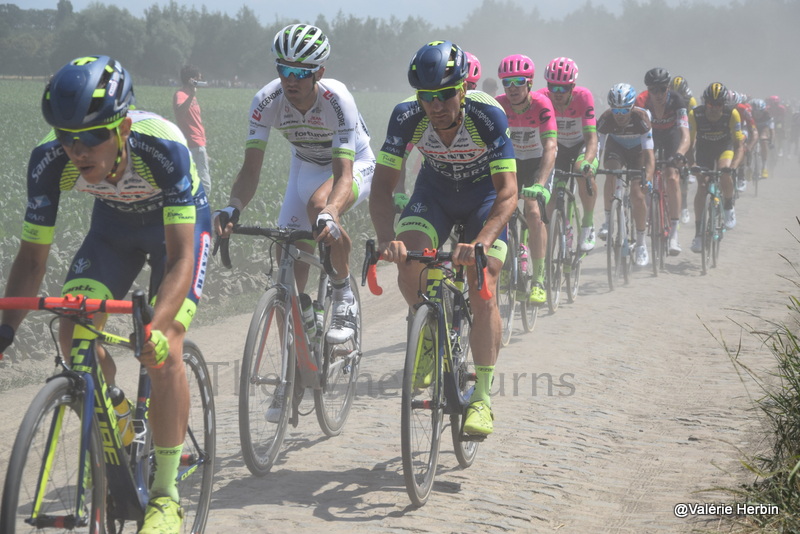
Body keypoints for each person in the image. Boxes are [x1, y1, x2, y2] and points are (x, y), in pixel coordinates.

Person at [0, 55, 211, 533]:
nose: (77, 150)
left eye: (92, 136)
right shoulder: (49, 161)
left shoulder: (162, 148)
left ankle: (165, 494)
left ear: (124, 127)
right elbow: (32, 260)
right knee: (75, 329)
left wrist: (156, 327)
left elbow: (180, 258)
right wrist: (5, 333)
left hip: (175, 237)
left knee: (164, 350)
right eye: (64, 136)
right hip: (112, 234)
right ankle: (112, 406)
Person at [370, 40, 517, 436]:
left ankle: (482, 399)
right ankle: (429, 330)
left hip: (483, 196)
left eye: (444, 95)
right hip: (434, 192)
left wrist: (483, 242)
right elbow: (382, 190)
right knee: (409, 261)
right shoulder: (405, 117)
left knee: (481, 280)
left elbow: (508, 192)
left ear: (463, 89)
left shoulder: (488, 115)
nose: (435, 106)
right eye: (427, 96)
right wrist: (388, 239)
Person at [214, 24, 374, 345]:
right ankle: (298, 353)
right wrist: (233, 207)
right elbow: (250, 171)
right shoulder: (265, 101)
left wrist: (330, 210)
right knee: (287, 259)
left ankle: (343, 296)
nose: (290, 79)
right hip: (305, 165)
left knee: (320, 209)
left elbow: (342, 175)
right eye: (284, 69)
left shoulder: (337, 100)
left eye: (301, 72)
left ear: (319, 72)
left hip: (353, 164)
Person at [494, 54, 557, 303]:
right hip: (510, 163)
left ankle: (539, 279)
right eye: (506, 82)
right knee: (499, 209)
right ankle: (508, 264)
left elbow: (551, 145)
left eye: (518, 81)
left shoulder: (542, 105)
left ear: (529, 82)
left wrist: (540, 184)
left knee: (532, 211)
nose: (512, 88)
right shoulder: (498, 105)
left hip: (536, 162)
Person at [537, 57, 599, 252]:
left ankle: (588, 224)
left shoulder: (584, 97)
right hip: (559, 147)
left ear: (572, 86)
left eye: (562, 88)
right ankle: (548, 254)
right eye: (552, 86)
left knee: (582, 171)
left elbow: (591, 138)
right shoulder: (541, 98)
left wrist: (587, 162)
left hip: (581, 145)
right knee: (552, 196)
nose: (556, 93)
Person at [596, 83, 655, 266]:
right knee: (611, 173)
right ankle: (607, 221)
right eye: (616, 111)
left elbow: (650, 156)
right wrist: (592, 167)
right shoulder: (606, 119)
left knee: (638, 195)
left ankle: (640, 243)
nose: (619, 116)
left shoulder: (641, 118)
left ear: (631, 107)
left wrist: (648, 179)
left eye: (624, 111)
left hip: (638, 151)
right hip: (617, 148)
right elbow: (598, 149)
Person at [635, 68, 690, 255]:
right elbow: (637, 133)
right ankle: (648, 207)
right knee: (643, 173)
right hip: (651, 135)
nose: (658, 94)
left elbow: (685, 134)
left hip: (671, 135)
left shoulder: (677, 101)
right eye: (653, 89)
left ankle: (674, 233)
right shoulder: (641, 101)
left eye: (662, 89)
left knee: (672, 176)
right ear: (648, 89)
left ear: (668, 87)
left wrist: (680, 154)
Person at [689, 82, 744, 252]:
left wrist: (734, 166)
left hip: (724, 148)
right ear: (705, 102)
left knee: (724, 172)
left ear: (724, 105)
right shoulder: (695, 114)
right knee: (703, 186)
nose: (713, 108)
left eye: (718, 104)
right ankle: (698, 234)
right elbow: (689, 144)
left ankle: (728, 206)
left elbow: (739, 145)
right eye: (710, 104)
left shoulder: (732, 114)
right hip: (704, 150)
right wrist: (693, 165)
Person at [173, 64, 212, 194]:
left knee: (195, 182)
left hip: (198, 145)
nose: (201, 81)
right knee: (204, 185)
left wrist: (204, 149)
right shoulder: (181, 94)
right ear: (192, 79)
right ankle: (203, 210)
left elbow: (197, 123)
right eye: (199, 78)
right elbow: (179, 112)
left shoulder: (191, 95)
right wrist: (191, 96)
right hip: (191, 143)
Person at [750, 98, 773, 179]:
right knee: (748, 145)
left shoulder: (768, 115)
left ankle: (764, 166)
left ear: (764, 111)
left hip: (764, 129)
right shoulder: (748, 113)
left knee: (763, 139)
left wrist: (771, 141)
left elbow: (771, 129)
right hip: (752, 129)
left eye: (760, 112)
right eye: (756, 112)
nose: (758, 114)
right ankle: (748, 167)